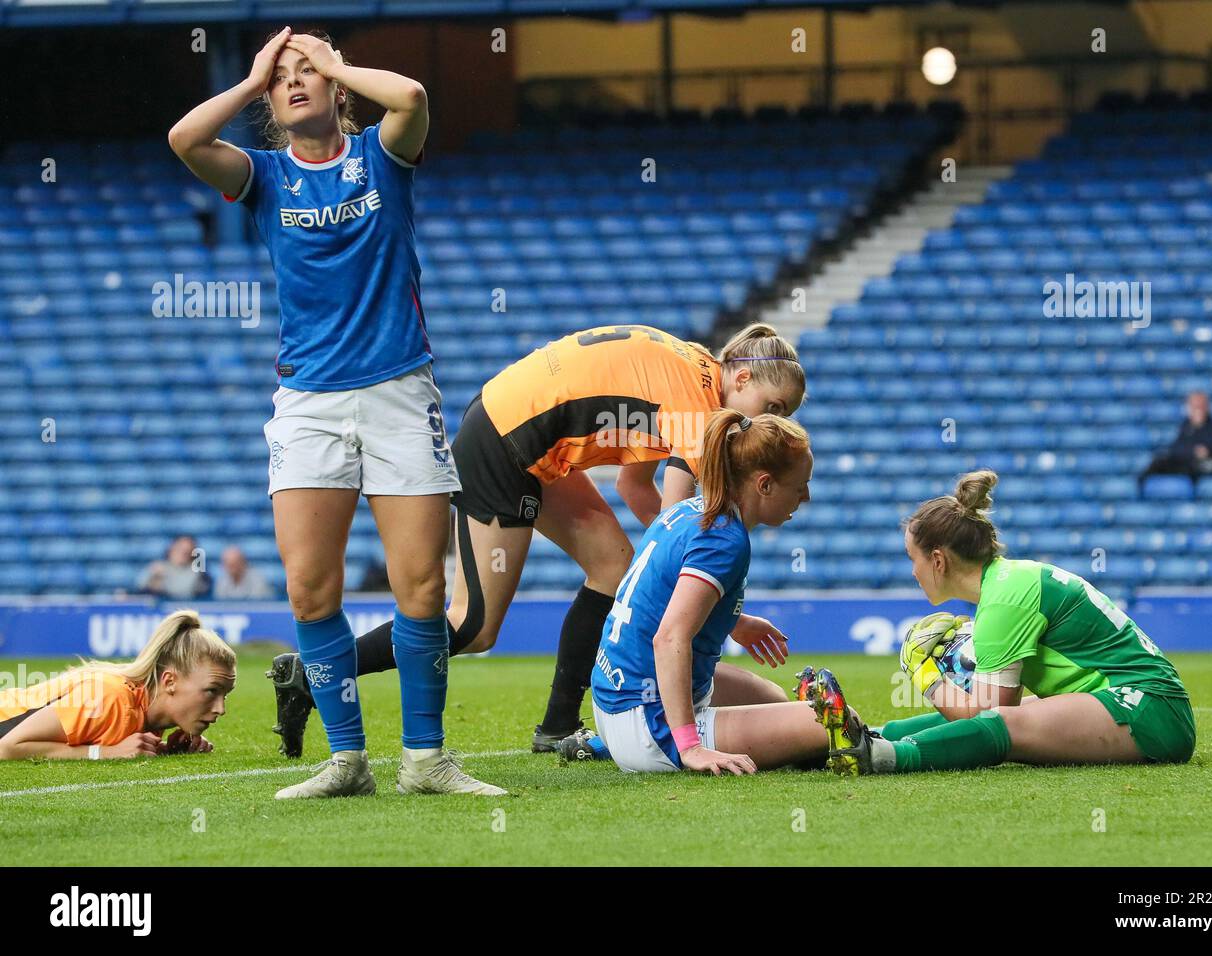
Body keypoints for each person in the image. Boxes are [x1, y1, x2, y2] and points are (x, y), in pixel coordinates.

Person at [169, 28, 501, 797]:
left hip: (398, 392)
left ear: (338, 88)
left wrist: (337, 61)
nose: (295, 82)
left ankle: (426, 760)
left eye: (307, 72)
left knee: (420, 589)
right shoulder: (264, 176)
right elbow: (186, 138)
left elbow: (413, 98)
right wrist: (252, 78)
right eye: (283, 77)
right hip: (309, 404)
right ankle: (347, 760)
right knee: (310, 591)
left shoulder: (383, 157)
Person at [267, 322, 806, 758]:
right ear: (741, 373)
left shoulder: (696, 374)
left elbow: (632, 486)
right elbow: (682, 542)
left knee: (614, 566)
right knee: (473, 626)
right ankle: (315, 675)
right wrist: (725, 617)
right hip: (506, 443)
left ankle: (557, 726)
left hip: (525, 434)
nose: (773, 422)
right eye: (774, 405)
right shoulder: (699, 406)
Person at [807, 470, 1196, 775]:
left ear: (939, 560)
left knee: (1005, 722)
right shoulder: (1007, 583)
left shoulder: (1004, 600)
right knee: (1016, 713)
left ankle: (881, 756)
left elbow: (987, 717)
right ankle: (867, 735)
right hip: (1141, 700)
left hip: (1147, 709)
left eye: (914, 559)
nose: (913, 571)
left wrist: (926, 677)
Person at [588, 408, 847, 775]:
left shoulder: (690, 511)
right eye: (799, 484)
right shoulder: (725, 540)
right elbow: (669, 638)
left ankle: (604, 743)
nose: (805, 496)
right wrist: (691, 747)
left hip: (614, 700)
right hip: (648, 722)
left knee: (774, 700)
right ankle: (674, 741)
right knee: (830, 720)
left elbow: (657, 600)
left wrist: (732, 621)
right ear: (765, 485)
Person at [0, 609, 233, 760]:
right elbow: (9, 747)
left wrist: (161, 749)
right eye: (211, 691)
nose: (220, 709)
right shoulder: (109, 697)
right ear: (169, 682)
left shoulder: (147, 712)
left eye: (225, 694)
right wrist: (102, 753)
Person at [1138, 390, 1212, 493]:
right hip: (1185, 462)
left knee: (1190, 470)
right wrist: (1192, 451)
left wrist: (1191, 449)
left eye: (1200, 405)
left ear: (1207, 407)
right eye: (1194, 406)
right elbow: (1176, 448)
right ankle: (1141, 490)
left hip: (1204, 466)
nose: (1197, 409)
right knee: (1159, 462)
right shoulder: (1186, 425)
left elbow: (1208, 450)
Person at [137, 534, 213, 600]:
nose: (181, 554)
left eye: (186, 552)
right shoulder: (158, 567)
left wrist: (162, 583)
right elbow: (140, 586)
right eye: (179, 549)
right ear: (171, 548)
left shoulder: (196, 572)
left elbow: (183, 592)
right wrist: (154, 578)